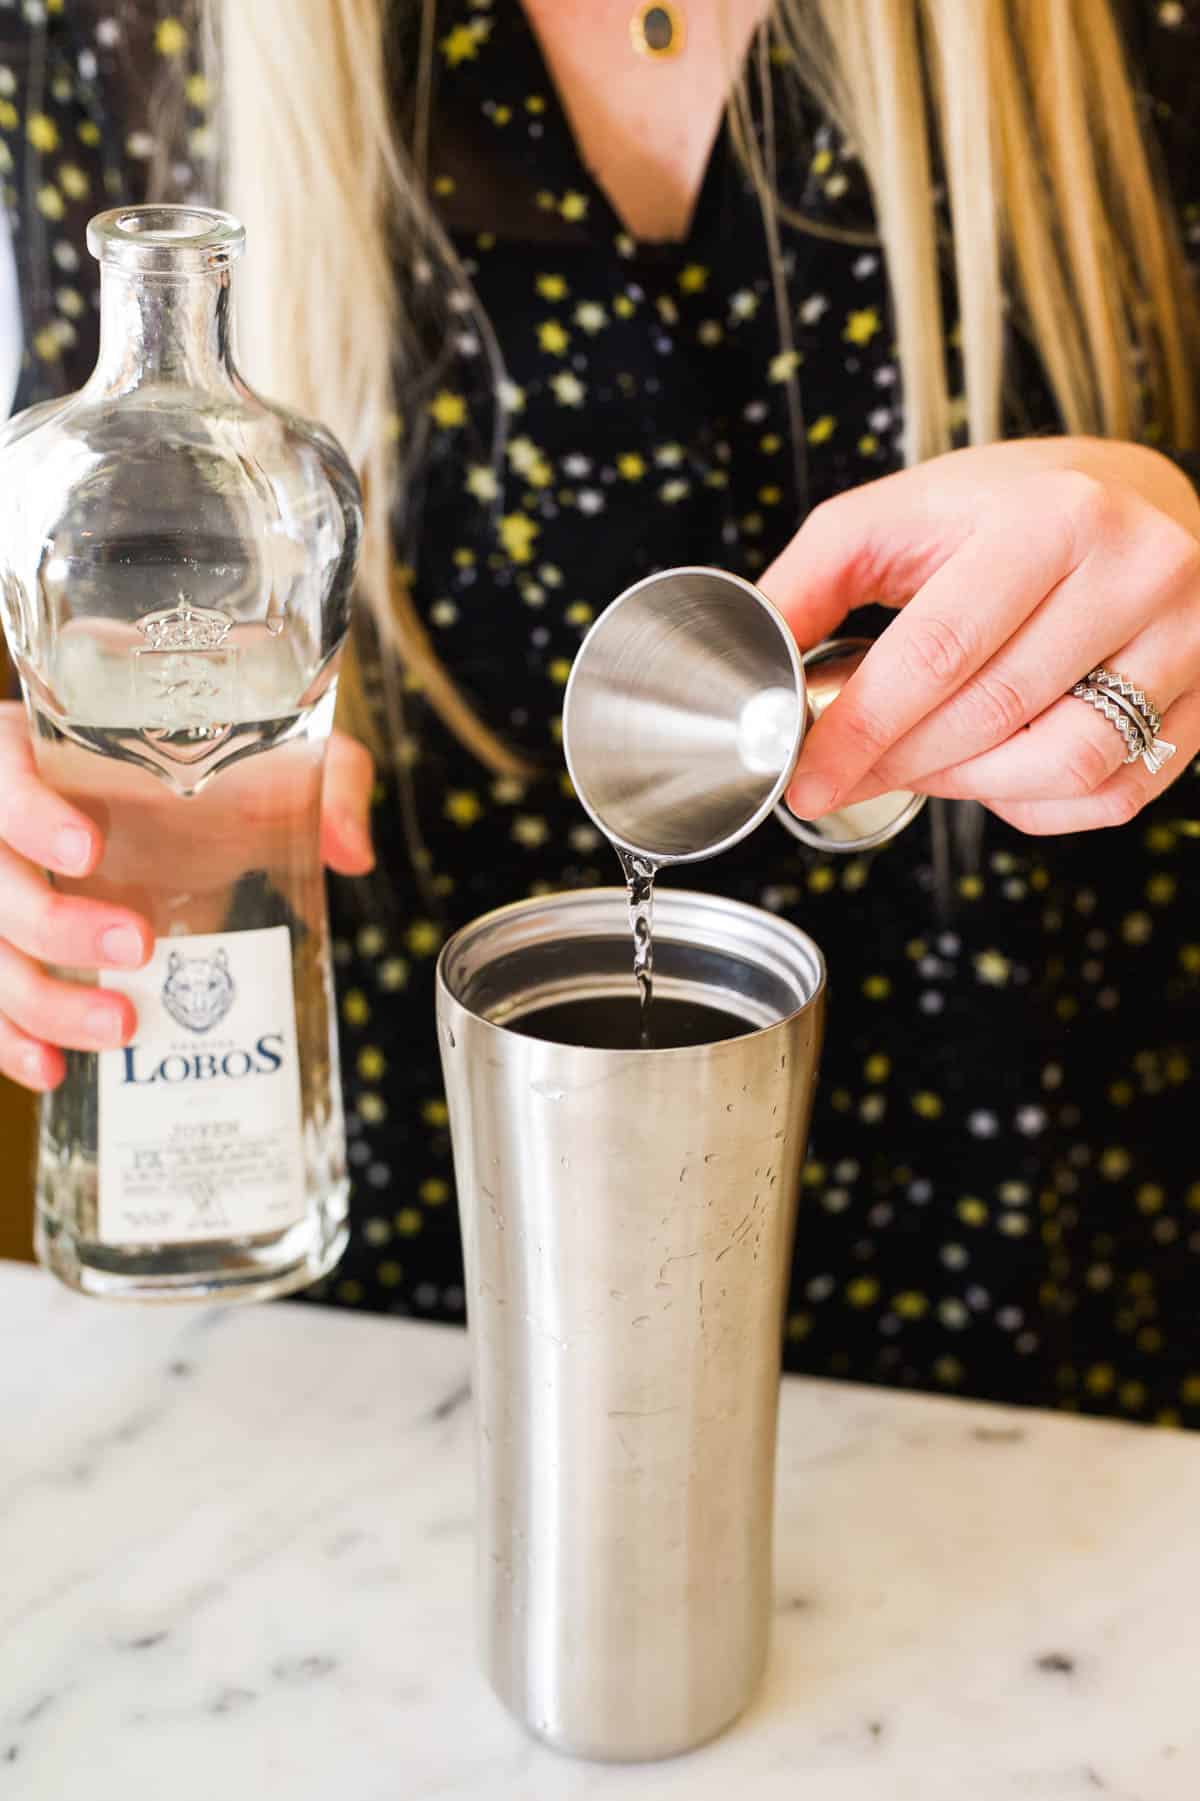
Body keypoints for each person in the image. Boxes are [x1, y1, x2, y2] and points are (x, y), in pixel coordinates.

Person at [1, 0, 1198, 1423]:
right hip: (408, 1330)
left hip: (1045, 1280)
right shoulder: (116, 25)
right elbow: (94, 592)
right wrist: (54, 826)